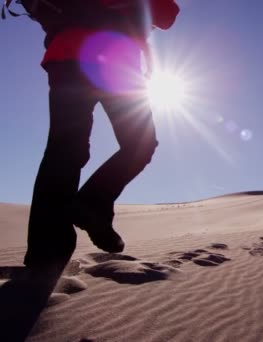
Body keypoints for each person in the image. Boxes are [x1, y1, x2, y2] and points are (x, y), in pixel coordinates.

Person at [23, 0, 180, 268]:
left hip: (66, 57)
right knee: (139, 144)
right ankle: (92, 205)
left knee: (64, 149)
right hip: (115, 59)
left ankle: (47, 250)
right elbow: (166, 15)